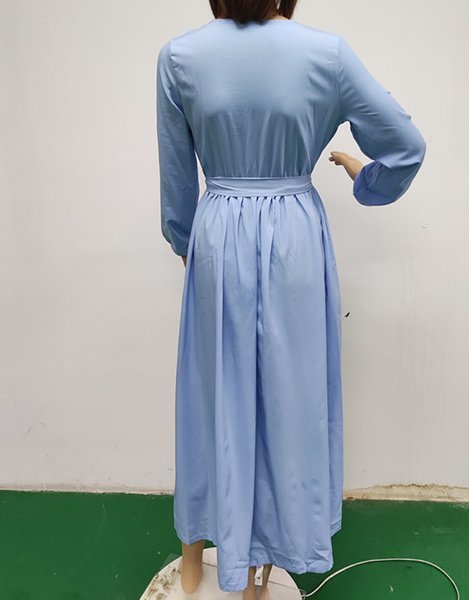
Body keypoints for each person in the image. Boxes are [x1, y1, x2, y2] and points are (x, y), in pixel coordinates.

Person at [156, 0, 426, 597]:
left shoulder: (180, 56)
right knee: (289, 398)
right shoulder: (327, 54)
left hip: (218, 239)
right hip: (295, 241)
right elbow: (407, 145)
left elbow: (176, 174)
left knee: (211, 394)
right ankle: (258, 571)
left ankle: (197, 554)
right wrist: (365, 176)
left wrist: (185, 241)